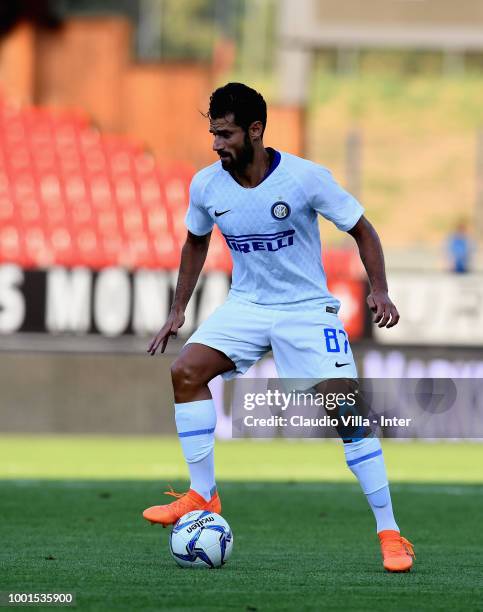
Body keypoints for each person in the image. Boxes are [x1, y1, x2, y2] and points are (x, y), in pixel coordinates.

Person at [143, 83, 414, 572]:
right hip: (247, 304)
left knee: (348, 413)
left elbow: (361, 229)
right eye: (212, 133)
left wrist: (380, 289)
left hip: (305, 309)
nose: (216, 144)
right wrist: (178, 309)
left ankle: (391, 533)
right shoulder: (207, 185)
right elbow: (194, 242)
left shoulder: (305, 178)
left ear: (255, 130)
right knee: (185, 373)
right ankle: (204, 496)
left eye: (225, 134)